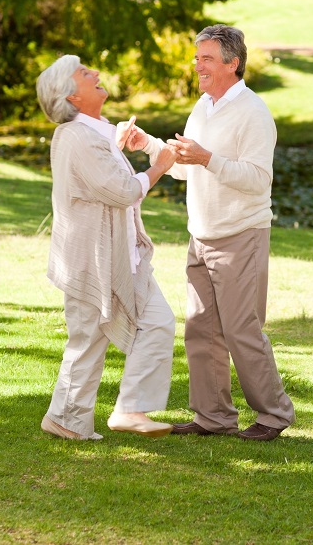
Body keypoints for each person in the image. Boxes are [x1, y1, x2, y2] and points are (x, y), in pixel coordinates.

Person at [141, 24, 295, 441]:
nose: (198, 66)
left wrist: (208, 158)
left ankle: (274, 415)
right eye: (197, 58)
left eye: (207, 58)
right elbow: (184, 168)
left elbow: (258, 178)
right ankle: (213, 417)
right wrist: (149, 145)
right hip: (201, 234)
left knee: (242, 328)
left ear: (233, 63)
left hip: (240, 233)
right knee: (201, 328)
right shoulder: (203, 107)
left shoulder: (254, 112)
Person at [35, 54, 179, 440]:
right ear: (73, 97)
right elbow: (122, 190)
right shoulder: (78, 137)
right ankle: (69, 418)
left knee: (155, 323)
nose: (95, 74)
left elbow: (107, 178)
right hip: (91, 259)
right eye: (85, 74)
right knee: (89, 338)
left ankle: (125, 410)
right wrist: (159, 165)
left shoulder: (94, 131)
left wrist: (118, 146)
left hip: (120, 256)